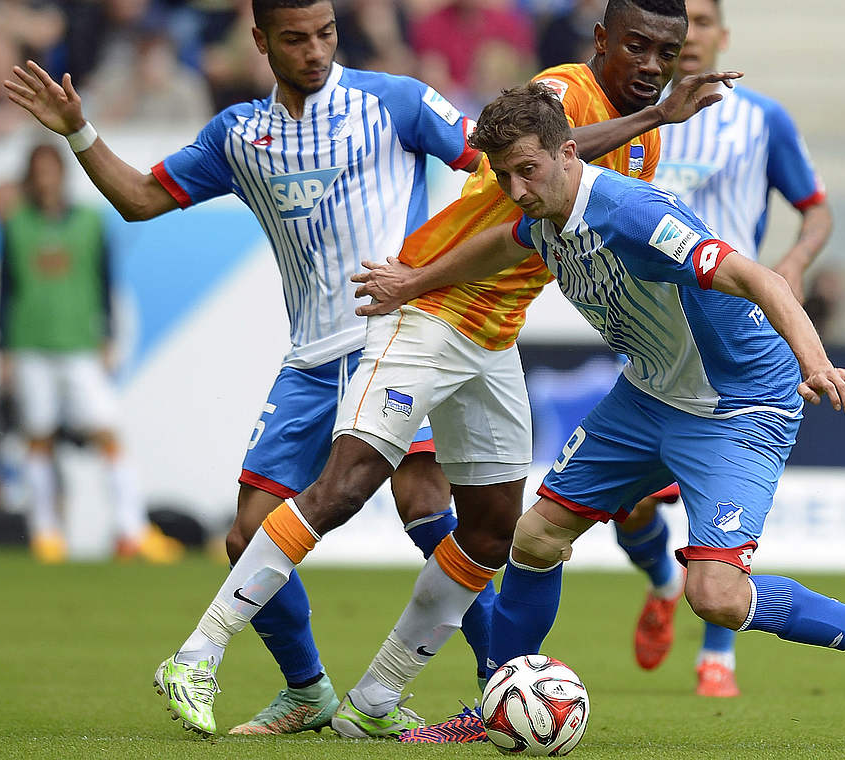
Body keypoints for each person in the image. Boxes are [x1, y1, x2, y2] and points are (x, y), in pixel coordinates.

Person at [130, 0, 737, 739]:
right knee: (345, 486)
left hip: (493, 336)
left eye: (664, 53)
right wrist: (657, 117)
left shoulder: (647, 141)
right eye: (636, 46)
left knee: (491, 531)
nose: (650, 65)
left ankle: (375, 701)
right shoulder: (563, 91)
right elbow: (527, 146)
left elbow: (550, 234)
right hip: (428, 313)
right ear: (603, 40)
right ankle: (197, 654)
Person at [362, 81, 845, 744]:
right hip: (651, 394)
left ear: (569, 154)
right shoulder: (543, 214)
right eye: (502, 174)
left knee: (714, 595)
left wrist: (817, 365)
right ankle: (498, 702)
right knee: (535, 539)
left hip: (739, 403)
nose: (515, 189)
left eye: (528, 171)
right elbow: (502, 240)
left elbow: (759, 279)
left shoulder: (632, 213)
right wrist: (412, 281)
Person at [5, 0, 487, 736]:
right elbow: (139, 199)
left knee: (426, 507)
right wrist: (77, 129)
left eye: (326, 33)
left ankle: (502, 682)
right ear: (260, 41)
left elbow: (498, 165)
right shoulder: (238, 137)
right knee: (248, 534)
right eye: (296, 38)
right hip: (310, 361)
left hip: (396, 341)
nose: (317, 50)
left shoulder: (395, 102)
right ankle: (308, 692)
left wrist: (444, 272)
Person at [615, 0, 834, 698]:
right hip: (655, 329)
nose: (694, 35)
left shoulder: (762, 118)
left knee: (715, 499)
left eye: (705, 21)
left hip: (736, 321)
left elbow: (817, 208)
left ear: (720, 36)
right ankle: (659, 580)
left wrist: (793, 262)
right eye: (687, 24)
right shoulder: (639, 114)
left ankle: (718, 652)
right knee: (633, 508)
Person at [0, 144, 182, 565]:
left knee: (107, 433)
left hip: (80, 342)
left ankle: (131, 531)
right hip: (31, 342)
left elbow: (103, 282)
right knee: (38, 438)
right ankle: (46, 534)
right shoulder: (16, 224)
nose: (45, 179)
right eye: (38, 171)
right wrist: (2, 348)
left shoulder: (89, 223)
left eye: (51, 170)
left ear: (62, 174)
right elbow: (6, 290)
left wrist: (108, 336)